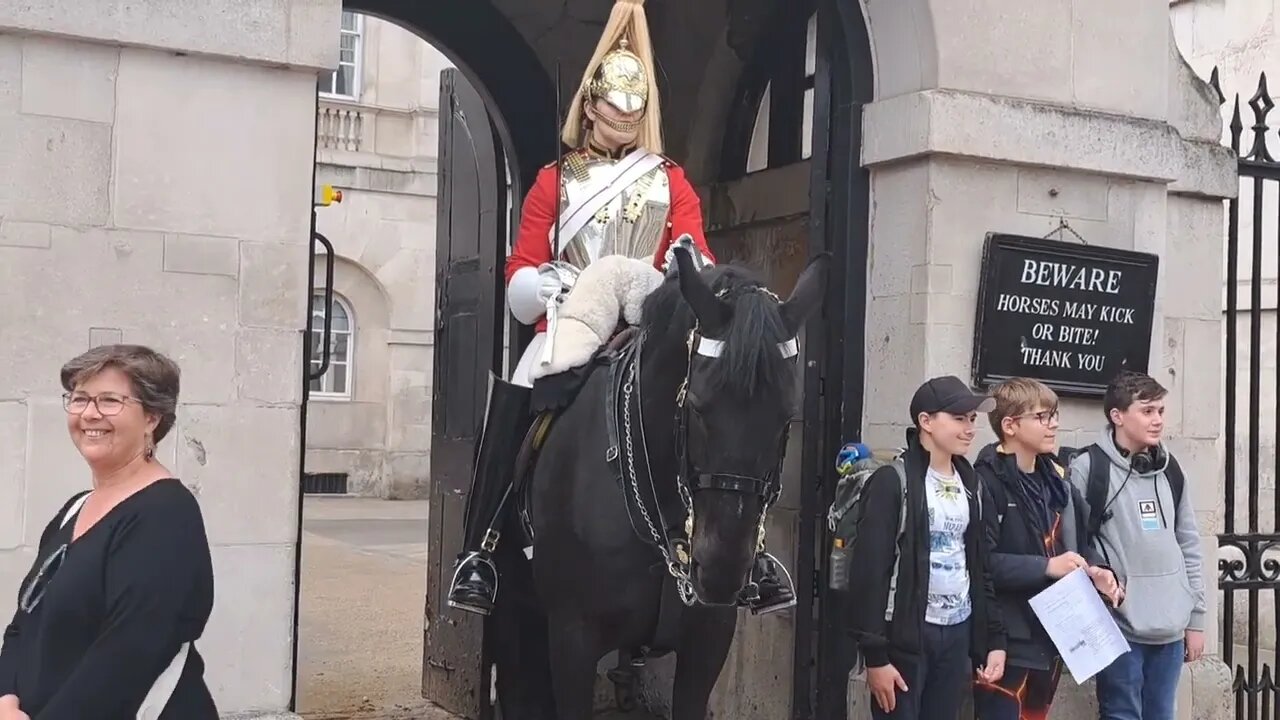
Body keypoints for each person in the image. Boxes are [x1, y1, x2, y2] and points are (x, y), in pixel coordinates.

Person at [446, 0, 797, 618]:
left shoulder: (671, 181)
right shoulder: (555, 182)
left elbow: (697, 251)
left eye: (635, 115)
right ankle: (483, 545)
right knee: (520, 394)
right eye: (615, 112)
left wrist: (682, 268)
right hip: (572, 316)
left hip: (648, 315)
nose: (626, 123)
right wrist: (544, 286)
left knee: (723, 409)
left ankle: (753, 551)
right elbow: (519, 270)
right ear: (590, 106)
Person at [0, 344, 216, 719]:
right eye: (80, 398)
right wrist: (5, 699)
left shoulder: (165, 515)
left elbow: (128, 656)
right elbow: (25, 621)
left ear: (152, 416)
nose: (89, 414)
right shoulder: (76, 508)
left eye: (110, 401)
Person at [848, 375, 1007, 719]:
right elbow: (869, 571)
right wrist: (876, 656)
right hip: (906, 635)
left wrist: (994, 640)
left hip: (957, 631)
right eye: (959, 418)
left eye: (972, 419)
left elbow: (980, 566)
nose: (969, 428)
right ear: (926, 421)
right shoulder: (894, 481)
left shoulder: (972, 484)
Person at [971, 378, 1122, 720]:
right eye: (1041, 416)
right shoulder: (986, 482)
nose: (1053, 423)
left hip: (1053, 634)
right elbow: (983, 564)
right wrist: (1046, 567)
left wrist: (1096, 571)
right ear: (1009, 425)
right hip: (1007, 640)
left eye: (1054, 415)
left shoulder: (1055, 480)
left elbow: (1077, 544)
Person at [1069, 371, 1204, 720]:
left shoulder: (1171, 470)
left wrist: (1196, 621)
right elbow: (1074, 544)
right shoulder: (1088, 469)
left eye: (1160, 410)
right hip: (1119, 625)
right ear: (1117, 415)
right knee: (1121, 713)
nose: (1157, 419)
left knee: (1162, 713)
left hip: (1171, 630)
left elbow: (1189, 543)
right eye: (1147, 411)